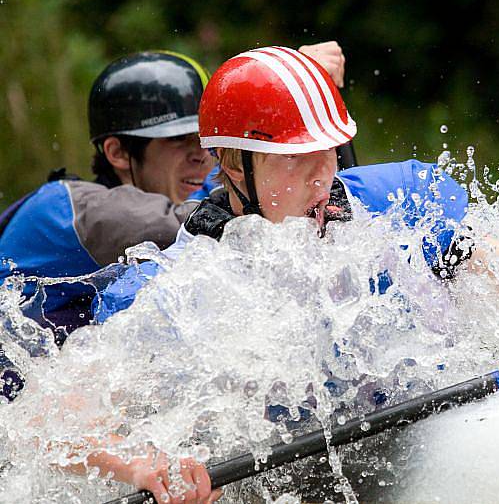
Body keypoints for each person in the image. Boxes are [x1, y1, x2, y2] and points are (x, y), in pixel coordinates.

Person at [83, 46, 499, 504]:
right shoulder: (178, 288)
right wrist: (145, 465)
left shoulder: (389, 203)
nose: (325, 177)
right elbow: (58, 416)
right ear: (233, 166)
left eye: (330, 153)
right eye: (296, 162)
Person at [0, 42, 346, 402]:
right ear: (117, 152)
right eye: (180, 141)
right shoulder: (68, 211)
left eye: (210, 142)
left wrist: (306, 103)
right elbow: (230, 220)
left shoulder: (178, 192)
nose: (204, 157)